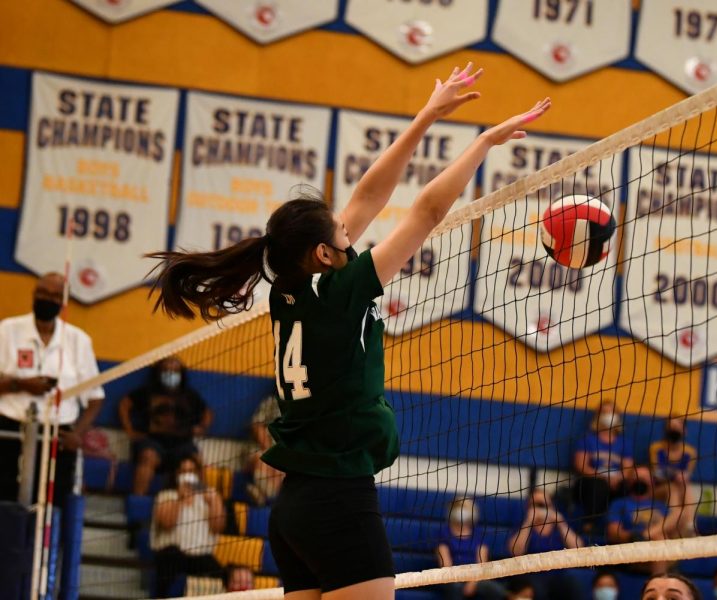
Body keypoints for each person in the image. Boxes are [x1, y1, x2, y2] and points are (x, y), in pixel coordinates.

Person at [146, 60, 550, 600]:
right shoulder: (341, 293)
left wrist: (428, 114)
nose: (350, 227)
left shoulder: (289, 291)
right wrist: (482, 144)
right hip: (338, 503)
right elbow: (427, 211)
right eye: (340, 231)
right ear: (323, 252)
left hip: (296, 511)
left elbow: (366, 198)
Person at [0, 272, 105, 505]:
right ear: (34, 294)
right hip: (9, 429)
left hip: (58, 434)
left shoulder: (78, 340)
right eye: (43, 293)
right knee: (5, 502)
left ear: (63, 302)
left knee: (51, 505)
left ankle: (46, 543)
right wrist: (21, 384)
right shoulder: (7, 330)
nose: (48, 299)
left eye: (55, 295)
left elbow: (95, 398)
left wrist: (78, 433)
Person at [119, 357, 212, 495]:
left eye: (175, 371)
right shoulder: (147, 392)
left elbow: (207, 412)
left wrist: (202, 427)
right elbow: (124, 404)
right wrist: (130, 431)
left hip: (181, 443)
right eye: (166, 370)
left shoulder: (189, 395)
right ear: (158, 372)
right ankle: (137, 502)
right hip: (152, 441)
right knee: (148, 456)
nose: (171, 374)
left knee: (196, 461)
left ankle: (199, 502)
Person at [151, 456, 226, 597]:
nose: (187, 475)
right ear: (176, 474)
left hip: (200, 557)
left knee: (220, 574)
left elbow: (218, 528)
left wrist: (214, 502)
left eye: (191, 471)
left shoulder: (209, 496)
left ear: (198, 474)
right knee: (170, 559)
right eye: (183, 471)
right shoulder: (166, 495)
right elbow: (167, 524)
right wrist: (180, 498)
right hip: (172, 555)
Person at [509, 489, 582, 600]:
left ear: (551, 506)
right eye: (535, 505)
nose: (539, 508)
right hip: (530, 574)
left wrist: (561, 523)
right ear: (528, 507)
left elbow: (578, 549)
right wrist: (529, 521)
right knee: (536, 588)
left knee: (572, 583)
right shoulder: (523, 525)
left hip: (557, 575)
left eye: (543, 505)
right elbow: (516, 552)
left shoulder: (559, 527)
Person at [573, 402, 634, 529]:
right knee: (598, 486)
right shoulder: (588, 439)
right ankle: (589, 525)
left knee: (626, 487)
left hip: (616, 481)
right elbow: (581, 466)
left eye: (612, 412)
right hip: (593, 480)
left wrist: (617, 478)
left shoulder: (624, 442)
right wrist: (603, 477)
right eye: (605, 412)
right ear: (598, 416)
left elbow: (628, 469)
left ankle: (622, 527)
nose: (609, 415)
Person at [607, 465, 676, 574]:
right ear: (629, 481)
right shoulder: (620, 503)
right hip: (632, 549)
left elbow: (672, 529)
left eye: (644, 478)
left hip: (661, 550)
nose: (640, 480)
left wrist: (646, 536)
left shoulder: (659, 505)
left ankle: (647, 535)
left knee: (675, 518)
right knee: (659, 538)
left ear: (652, 482)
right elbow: (613, 532)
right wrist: (634, 536)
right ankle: (659, 580)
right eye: (636, 477)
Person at [435, 497, 506, 600]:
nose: (463, 512)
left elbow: (482, 563)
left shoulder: (479, 533)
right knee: (454, 587)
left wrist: (473, 582)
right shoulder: (444, 532)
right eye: (460, 508)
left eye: (466, 509)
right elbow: (445, 565)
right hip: (452, 577)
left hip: (475, 577)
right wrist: (456, 579)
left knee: (494, 589)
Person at [649, 416, 697, 537]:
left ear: (684, 430)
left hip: (680, 489)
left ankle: (689, 526)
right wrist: (675, 474)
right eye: (671, 427)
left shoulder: (690, 451)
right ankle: (673, 525)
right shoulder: (656, 448)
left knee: (685, 486)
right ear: (666, 430)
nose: (674, 429)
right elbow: (657, 474)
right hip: (657, 489)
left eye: (677, 427)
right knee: (673, 488)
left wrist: (680, 477)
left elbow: (687, 476)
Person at [244, 393, 284, 506]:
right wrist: (271, 451)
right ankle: (266, 494)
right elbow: (256, 425)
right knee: (260, 458)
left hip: (286, 455)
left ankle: (261, 493)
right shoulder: (273, 401)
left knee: (283, 469)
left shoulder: (306, 407)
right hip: (264, 448)